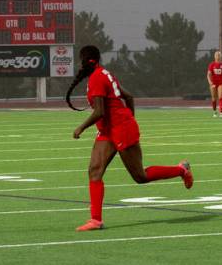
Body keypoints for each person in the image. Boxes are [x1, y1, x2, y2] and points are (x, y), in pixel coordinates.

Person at [67, 45, 193, 231]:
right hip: (109, 130)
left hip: (120, 129)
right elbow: (129, 96)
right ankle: (96, 219)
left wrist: (81, 127)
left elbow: (100, 111)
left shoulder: (97, 78)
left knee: (140, 176)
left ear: (83, 61)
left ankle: (181, 169)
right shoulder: (103, 74)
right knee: (95, 170)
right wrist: (129, 118)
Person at [207, 51, 222, 118]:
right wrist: (210, 82)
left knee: (221, 97)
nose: (218, 56)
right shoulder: (211, 65)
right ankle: (214, 111)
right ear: (214, 56)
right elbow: (208, 74)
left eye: (219, 55)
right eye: (216, 55)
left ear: (221, 56)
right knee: (213, 98)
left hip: (221, 83)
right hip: (213, 83)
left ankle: (221, 113)